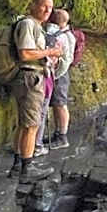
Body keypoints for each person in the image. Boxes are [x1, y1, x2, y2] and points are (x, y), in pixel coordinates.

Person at [9, 0, 62, 181]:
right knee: (32, 124)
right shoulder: (28, 24)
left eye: (50, 8)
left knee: (25, 124)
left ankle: (18, 165)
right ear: (33, 5)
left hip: (32, 76)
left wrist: (49, 57)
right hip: (30, 78)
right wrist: (51, 51)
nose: (47, 10)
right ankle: (27, 169)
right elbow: (24, 54)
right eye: (44, 6)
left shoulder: (36, 26)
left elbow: (34, 53)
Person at [48, 9, 74, 150]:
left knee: (60, 104)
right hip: (59, 73)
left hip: (60, 73)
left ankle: (62, 137)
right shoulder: (64, 34)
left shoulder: (65, 36)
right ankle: (57, 133)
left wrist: (56, 74)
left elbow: (66, 58)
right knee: (57, 104)